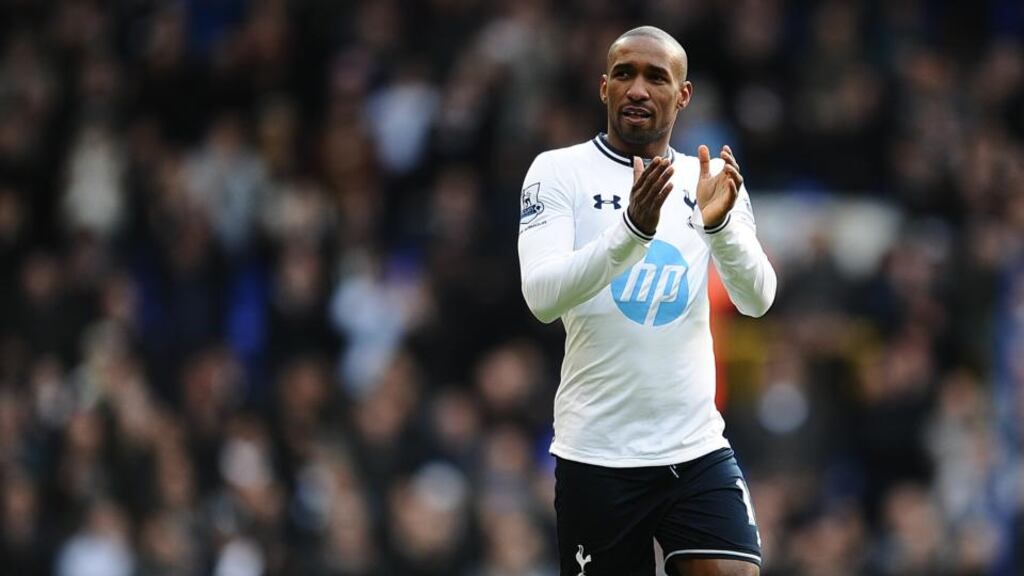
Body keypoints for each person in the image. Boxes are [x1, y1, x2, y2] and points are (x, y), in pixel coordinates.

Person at [517, 26, 777, 576]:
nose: (639, 88)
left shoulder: (707, 179)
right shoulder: (557, 171)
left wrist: (721, 225)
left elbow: (757, 299)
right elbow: (541, 297)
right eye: (626, 74)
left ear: (682, 95)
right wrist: (631, 230)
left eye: (656, 77)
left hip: (696, 447)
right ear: (604, 87)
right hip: (599, 455)